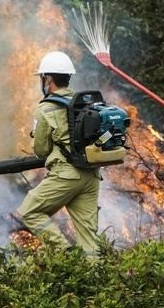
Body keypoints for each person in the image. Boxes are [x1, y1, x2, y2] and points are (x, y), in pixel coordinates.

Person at [17, 51, 101, 258]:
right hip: (91, 175)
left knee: (28, 211)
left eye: (43, 78)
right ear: (69, 77)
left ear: (48, 79)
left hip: (66, 175)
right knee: (88, 237)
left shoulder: (46, 109)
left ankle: (63, 252)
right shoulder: (84, 103)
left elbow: (41, 150)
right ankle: (95, 282)